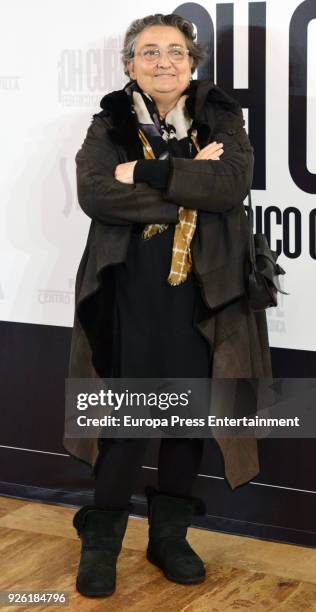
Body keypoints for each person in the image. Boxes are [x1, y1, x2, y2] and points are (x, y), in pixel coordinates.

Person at [63, 13, 272, 598]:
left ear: (193, 62)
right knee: (128, 421)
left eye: (175, 52)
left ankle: (168, 539)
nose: (163, 62)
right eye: (149, 52)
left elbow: (228, 188)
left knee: (187, 420)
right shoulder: (109, 122)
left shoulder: (222, 117)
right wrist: (186, 189)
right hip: (130, 291)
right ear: (130, 64)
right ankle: (101, 544)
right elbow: (96, 193)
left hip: (206, 294)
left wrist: (146, 172)